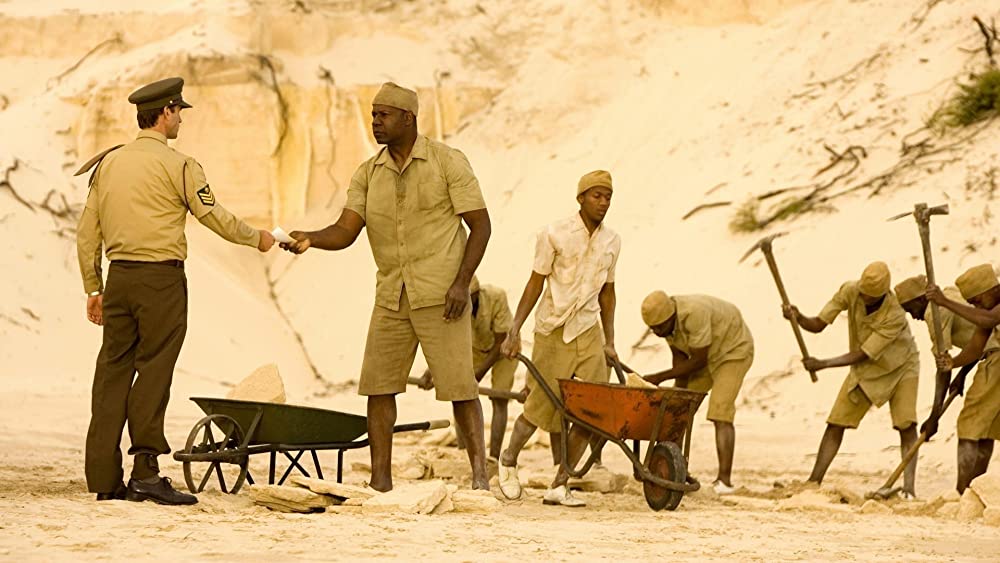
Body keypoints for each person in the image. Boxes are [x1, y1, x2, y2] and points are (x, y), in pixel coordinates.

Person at [279, 82, 491, 492]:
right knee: (379, 386)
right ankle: (381, 480)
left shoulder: (448, 162)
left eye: (383, 115)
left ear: (408, 118)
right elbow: (346, 229)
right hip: (391, 295)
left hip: (441, 295)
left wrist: (462, 284)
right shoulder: (367, 174)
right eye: (373, 115)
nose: (374, 122)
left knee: (460, 387)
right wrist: (311, 238)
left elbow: (480, 225)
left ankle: (480, 478)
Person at [76, 77, 275, 505]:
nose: (182, 117)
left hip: (119, 279)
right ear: (165, 113)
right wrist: (255, 237)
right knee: (154, 371)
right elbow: (212, 216)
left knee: (111, 372)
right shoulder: (180, 165)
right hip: (161, 281)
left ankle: (104, 477)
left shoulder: (107, 164)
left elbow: (86, 232)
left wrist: (94, 287)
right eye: (179, 110)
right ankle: (146, 472)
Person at [497, 170, 620, 507]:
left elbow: (608, 293)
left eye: (608, 196)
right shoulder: (554, 234)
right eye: (596, 195)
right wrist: (515, 329)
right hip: (552, 330)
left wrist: (609, 340)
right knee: (540, 408)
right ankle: (507, 461)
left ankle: (560, 482)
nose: (603, 202)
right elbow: (535, 283)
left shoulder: (612, 241)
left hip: (588, 330)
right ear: (580, 198)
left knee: (594, 411)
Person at [783, 261, 921, 498]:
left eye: (871, 297)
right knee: (835, 422)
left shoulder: (895, 314)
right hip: (865, 370)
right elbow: (818, 324)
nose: (864, 299)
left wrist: (822, 364)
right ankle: (814, 480)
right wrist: (799, 317)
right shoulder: (850, 290)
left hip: (901, 368)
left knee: (906, 425)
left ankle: (908, 489)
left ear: (883, 294)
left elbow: (863, 353)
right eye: (863, 294)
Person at [639, 290, 754, 494]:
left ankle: (724, 481)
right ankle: (673, 469)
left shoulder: (694, 313)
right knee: (676, 411)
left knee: (720, 411)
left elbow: (699, 359)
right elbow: (680, 357)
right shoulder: (667, 325)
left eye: (659, 328)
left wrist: (659, 377)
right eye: (652, 329)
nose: (657, 333)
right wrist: (678, 396)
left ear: (670, 317)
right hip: (704, 356)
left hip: (732, 351)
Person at [416, 276, 518, 460]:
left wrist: (478, 374)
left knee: (499, 398)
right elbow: (447, 341)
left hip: (504, 348)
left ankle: (494, 458)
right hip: (475, 348)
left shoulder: (497, 297)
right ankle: (464, 453)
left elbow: (501, 341)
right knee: (461, 394)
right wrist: (431, 372)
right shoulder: (453, 304)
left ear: (476, 294)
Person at [925, 264, 1000, 492]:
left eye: (976, 301)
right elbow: (977, 346)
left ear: (990, 290)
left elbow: (987, 320)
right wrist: (954, 363)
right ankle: (975, 490)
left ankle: (962, 490)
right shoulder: (989, 310)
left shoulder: (991, 312)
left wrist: (945, 302)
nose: (975, 307)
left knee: (970, 423)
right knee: (986, 427)